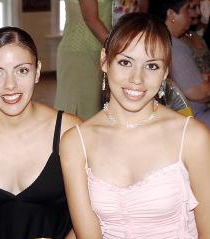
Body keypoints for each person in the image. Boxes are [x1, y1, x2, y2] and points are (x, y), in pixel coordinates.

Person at [60, 13, 210, 238]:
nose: (136, 79)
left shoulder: (192, 137)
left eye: (151, 66)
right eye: (125, 62)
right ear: (104, 61)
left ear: (165, 72)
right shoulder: (76, 142)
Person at [0, 26, 82, 239]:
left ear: (37, 71)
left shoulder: (69, 130)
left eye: (22, 70)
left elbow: (86, 222)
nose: (10, 85)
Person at [55, 0, 148, 120]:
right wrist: (118, 49)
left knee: (91, 112)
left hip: (97, 50)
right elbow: (91, 19)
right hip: (80, 52)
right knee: (77, 114)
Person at [149, 0, 210, 127]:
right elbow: (199, 93)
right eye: (186, 9)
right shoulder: (173, 46)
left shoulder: (156, 39)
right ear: (171, 14)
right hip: (190, 119)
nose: (191, 14)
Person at [181, 0, 210, 81]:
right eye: (193, 7)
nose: (198, 12)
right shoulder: (177, 40)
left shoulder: (196, 36)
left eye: (198, 7)